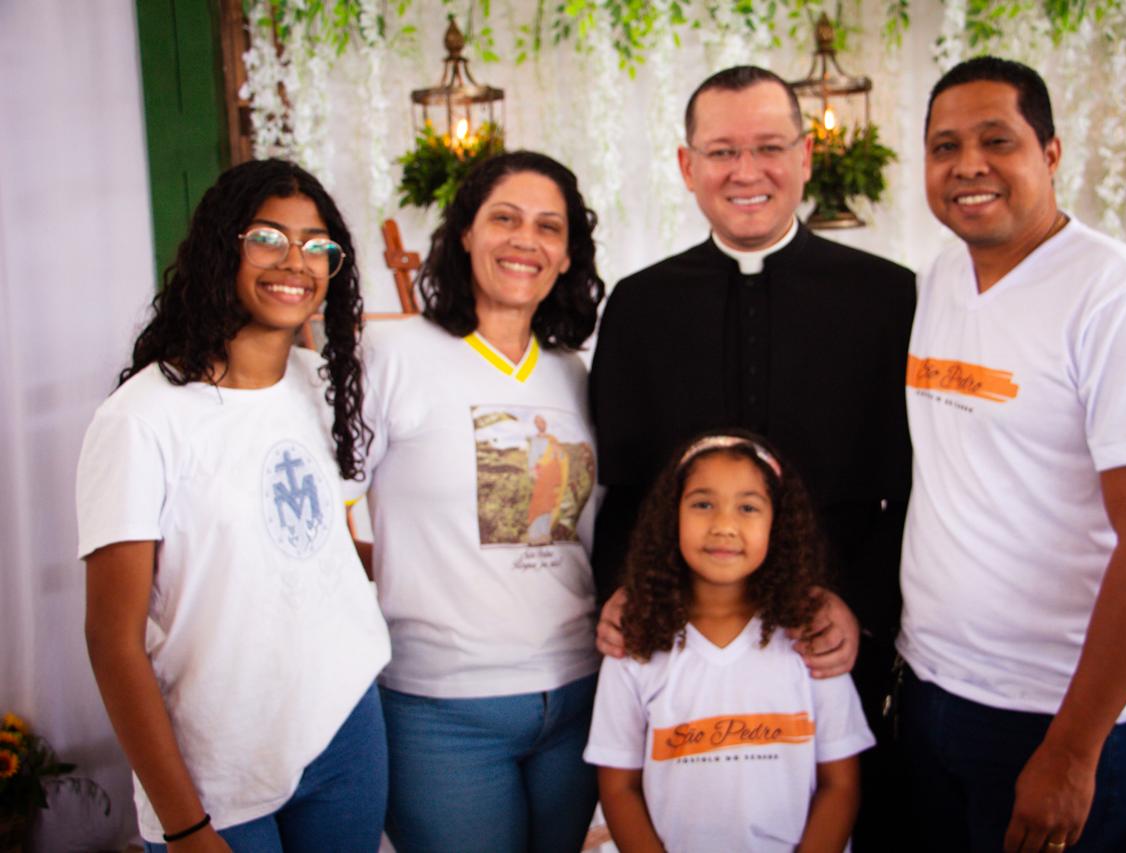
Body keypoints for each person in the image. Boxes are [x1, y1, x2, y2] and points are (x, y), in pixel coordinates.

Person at [590, 64, 914, 846]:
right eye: (722, 151)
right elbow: (622, 484)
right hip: (681, 642)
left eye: (769, 147)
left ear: (806, 156)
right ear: (687, 165)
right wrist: (623, 592)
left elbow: (911, 485)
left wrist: (861, 607)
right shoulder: (638, 304)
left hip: (835, 639)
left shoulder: (889, 297)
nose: (746, 172)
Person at [899, 57, 1126, 852]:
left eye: (996, 140)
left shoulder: (1122, 297)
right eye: (944, 147)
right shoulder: (941, 278)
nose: (968, 164)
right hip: (929, 689)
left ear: (1050, 153)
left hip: (1055, 716)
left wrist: (1073, 751)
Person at [77, 159, 392, 851]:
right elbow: (111, 639)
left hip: (345, 727)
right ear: (223, 248)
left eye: (317, 245)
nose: (296, 261)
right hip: (219, 758)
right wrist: (185, 824)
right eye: (268, 237)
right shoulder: (142, 419)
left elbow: (313, 548)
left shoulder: (322, 386)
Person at [358, 150, 605, 852]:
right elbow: (324, 504)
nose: (526, 240)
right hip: (441, 707)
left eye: (548, 227)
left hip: (577, 692)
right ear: (465, 232)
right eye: (505, 218)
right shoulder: (391, 353)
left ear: (566, 256)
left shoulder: (574, 373)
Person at [585, 431, 874, 852]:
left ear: (778, 524)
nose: (723, 525)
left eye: (748, 507)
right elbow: (619, 787)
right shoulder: (635, 643)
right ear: (671, 517)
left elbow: (840, 784)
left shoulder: (812, 640)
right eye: (703, 504)